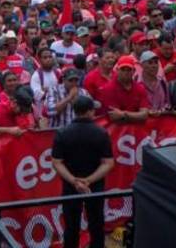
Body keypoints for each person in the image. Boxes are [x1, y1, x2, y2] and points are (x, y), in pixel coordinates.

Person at [51, 96, 114, 248]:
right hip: (95, 185)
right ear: (91, 111)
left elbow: (56, 162)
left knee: (71, 225)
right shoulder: (101, 133)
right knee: (96, 223)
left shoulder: (62, 133)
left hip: (71, 186)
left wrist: (74, 181)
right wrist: (89, 181)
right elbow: (108, 163)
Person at [97, 55, 149, 123]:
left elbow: (144, 115)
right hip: (114, 131)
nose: (126, 72)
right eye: (123, 69)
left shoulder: (140, 88)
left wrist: (123, 114)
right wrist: (136, 116)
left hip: (137, 131)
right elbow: (114, 118)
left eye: (129, 70)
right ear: (117, 70)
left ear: (134, 71)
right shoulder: (108, 88)